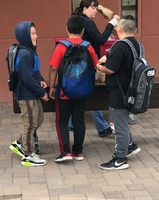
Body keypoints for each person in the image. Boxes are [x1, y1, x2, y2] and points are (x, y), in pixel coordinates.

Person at [49, 15, 100, 162]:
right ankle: (78, 151)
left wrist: (52, 87)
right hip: (83, 90)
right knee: (79, 120)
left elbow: (53, 68)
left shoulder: (61, 46)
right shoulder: (88, 46)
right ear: (83, 31)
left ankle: (65, 151)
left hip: (64, 91)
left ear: (67, 29)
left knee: (62, 120)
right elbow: (96, 66)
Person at [97, 15, 141, 170]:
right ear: (135, 30)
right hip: (132, 91)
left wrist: (99, 66)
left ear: (119, 29)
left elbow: (110, 69)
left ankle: (120, 159)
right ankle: (130, 145)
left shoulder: (119, 46)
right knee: (122, 121)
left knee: (119, 125)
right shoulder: (138, 45)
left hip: (119, 92)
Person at [72, 0, 119, 137]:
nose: (95, 11)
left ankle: (70, 123)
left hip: (77, 61)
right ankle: (103, 127)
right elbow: (101, 39)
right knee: (94, 93)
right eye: (93, 8)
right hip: (88, 62)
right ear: (85, 8)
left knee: (75, 91)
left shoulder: (77, 19)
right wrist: (111, 24)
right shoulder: (88, 22)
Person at [9, 21, 48, 167]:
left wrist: (41, 80)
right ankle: (28, 155)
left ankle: (19, 143)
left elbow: (34, 72)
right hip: (27, 96)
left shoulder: (29, 51)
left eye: (35, 33)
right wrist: (41, 92)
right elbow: (27, 78)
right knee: (30, 124)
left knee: (38, 119)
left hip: (32, 94)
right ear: (24, 35)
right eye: (32, 33)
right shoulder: (24, 54)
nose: (36, 36)